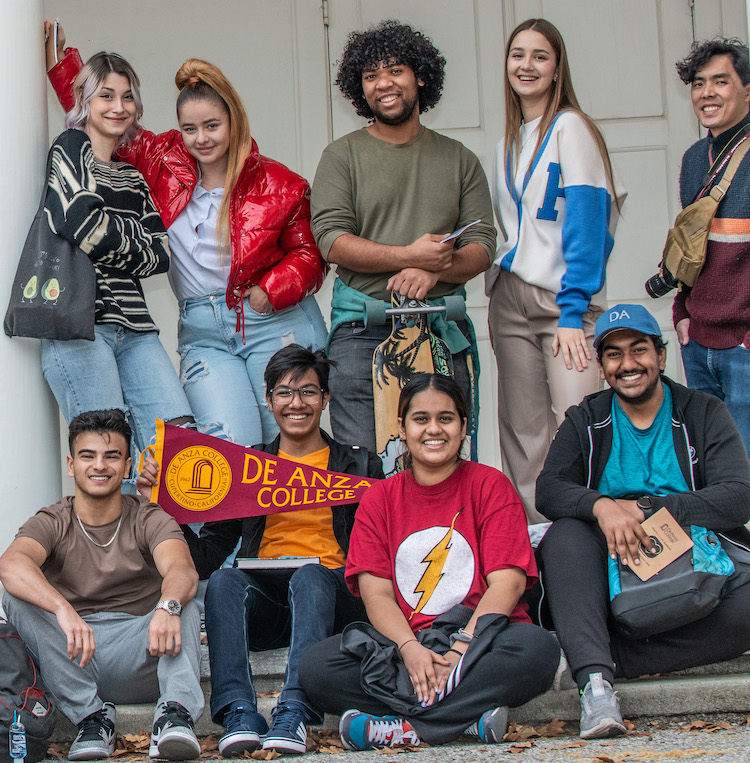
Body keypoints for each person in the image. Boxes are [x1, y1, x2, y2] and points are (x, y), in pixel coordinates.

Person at [46, 22, 327, 449]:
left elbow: (310, 254)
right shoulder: (161, 160)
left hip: (274, 321)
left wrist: (270, 289)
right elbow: (108, 117)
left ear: (234, 119)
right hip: (204, 328)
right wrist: (63, 65)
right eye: (190, 128)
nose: (201, 139)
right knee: (227, 448)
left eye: (212, 126)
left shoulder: (280, 182)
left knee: (290, 444)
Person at [138, 345, 384, 757]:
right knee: (228, 579)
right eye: (284, 393)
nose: (296, 403)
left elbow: (379, 549)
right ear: (268, 400)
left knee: (311, 574)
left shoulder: (359, 466)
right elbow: (208, 557)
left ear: (325, 399)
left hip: (335, 599)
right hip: (269, 603)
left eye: (308, 392)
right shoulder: (248, 468)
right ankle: (237, 712)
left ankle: (295, 712)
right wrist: (163, 508)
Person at [298, 374, 559, 750]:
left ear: (464, 426)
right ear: (401, 428)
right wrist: (410, 649)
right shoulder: (380, 498)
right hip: (407, 645)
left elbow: (508, 583)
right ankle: (464, 720)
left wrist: (460, 649)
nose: (433, 429)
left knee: (538, 651)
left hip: (480, 640)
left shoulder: (491, 485)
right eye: (421, 419)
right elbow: (376, 594)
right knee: (318, 668)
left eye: (446, 418)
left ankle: (405, 728)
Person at [536, 304, 750, 739]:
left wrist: (651, 509)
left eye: (639, 350)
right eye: (614, 354)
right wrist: (602, 507)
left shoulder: (703, 411)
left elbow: (739, 495)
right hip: (612, 561)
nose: (628, 364)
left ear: (662, 355)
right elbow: (550, 490)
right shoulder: (587, 418)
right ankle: (595, 689)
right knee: (565, 536)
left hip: (696, 557)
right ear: (601, 365)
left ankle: (605, 660)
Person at [310, 20, 496, 465]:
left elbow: (482, 246)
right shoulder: (342, 156)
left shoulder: (459, 159)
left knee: (444, 464)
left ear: (421, 77)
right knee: (365, 467)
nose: (383, 84)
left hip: (439, 330)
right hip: (361, 333)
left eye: (394, 70)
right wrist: (409, 257)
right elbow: (331, 241)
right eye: (370, 76)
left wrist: (433, 272)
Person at [0, 410, 204, 761]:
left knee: (183, 602)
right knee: (16, 598)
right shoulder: (53, 519)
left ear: (126, 466)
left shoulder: (147, 515)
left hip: (143, 652)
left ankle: (174, 715)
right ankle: (92, 718)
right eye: (88, 455)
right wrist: (62, 608)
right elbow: (11, 565)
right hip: (74, 655)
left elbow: (182, 569)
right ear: (71, 464)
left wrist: (167, 604)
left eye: (112, 456)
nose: (100, 466)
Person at [487, 18, 626, 523]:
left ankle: (592, 547)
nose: (526, 66)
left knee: (579, 430)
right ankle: (541, 553)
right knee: (523, 437)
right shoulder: (507, 139)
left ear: (557, 68)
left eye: (540, 56)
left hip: (562, 304)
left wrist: (573, 311)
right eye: (517, 54)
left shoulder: (573, 128)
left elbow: (589, 227)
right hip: (510, 299)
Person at [39, 46, 193, 487]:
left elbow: (160, 255)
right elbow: (81, 224)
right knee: (107, 456)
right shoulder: (71, 148)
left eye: (127, 97)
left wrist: (109, 236)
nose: (119, 107)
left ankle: (179, 553)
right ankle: (112, 556)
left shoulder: (133, 177)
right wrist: (129, 242)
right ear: (85, 101)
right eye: (106, 96)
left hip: (137, 329)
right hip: (81, 326)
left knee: (177, 444)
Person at [672, 38, 750, 456]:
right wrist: (682, 313)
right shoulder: (694, 158)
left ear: (748, 90)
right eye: (699, 83)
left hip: (745, 348)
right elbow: (691, 249)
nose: (707, 93)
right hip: (698, 343)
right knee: (712, 467)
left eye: (721, 81)